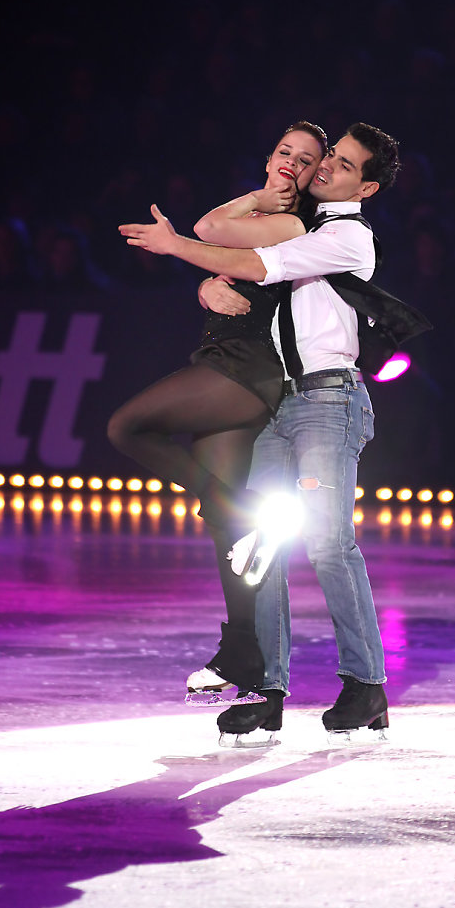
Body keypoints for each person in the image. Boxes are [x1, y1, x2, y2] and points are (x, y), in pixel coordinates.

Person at [119, 122, 431, 740]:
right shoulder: (308, 219)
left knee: (326, 542)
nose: (327, 169)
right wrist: (210, 285)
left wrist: (180, 248)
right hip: (278, 404)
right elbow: (253, 284)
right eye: (331, 157)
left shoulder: (346, 237)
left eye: (342, 166)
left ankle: (366, 685)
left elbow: (261, 265)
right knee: (261, 542)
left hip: (328, 399)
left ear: (365, 187)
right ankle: (266, 687)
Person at [108, 121, 328, 696]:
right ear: (268, 155)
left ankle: (242, 505)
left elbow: (206, 229)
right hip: (229, 357)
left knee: (127, 427)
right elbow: (218, 249)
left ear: (313, 175)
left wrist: (252, 204)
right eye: (284, 151)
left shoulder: (292, 221)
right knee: (227, 532)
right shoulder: (259, 219)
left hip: (245, 365)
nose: (290, 163)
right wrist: (205, 284)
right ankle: (244, 658)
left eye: (304, 161)